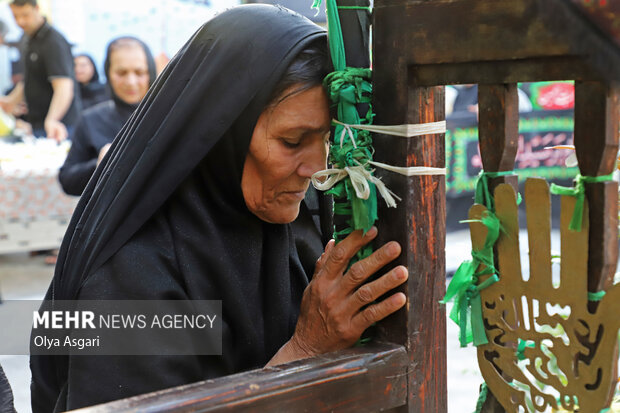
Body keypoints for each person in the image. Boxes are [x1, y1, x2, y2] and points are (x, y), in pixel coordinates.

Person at [30, 5, 408, 412]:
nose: (317, 169)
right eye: (292, 141)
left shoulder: (298, 224)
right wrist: (307, 349)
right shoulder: (129, 277)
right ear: (221, 133)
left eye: (325, 139)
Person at [59, 37, 156, 196]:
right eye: (121, 73)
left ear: (150, 72)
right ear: (108, 73)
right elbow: (67, 180)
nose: (131, 82)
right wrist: (99, 165)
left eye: (139, 72)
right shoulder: (91, 120)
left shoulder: (169, 117)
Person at [0, 0, 80, 141]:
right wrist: (10, 102)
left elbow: (63, 87)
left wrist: (52, 120)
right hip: (37, 123)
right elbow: (29, 79)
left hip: (60, 126)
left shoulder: (53, 41)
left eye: (25, 15)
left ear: (37, 9)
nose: (20, 21)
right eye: (15, 16)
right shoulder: (25, 38)